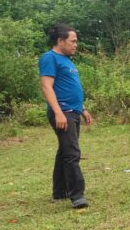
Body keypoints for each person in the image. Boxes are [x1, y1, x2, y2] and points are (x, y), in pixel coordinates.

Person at [39, 25, 92, 208]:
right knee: (72, 153)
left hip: (73, 111)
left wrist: (83, 109)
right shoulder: (50, 58)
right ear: (60, 41)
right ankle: (77, 195)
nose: (75, 45)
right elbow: (47, 87)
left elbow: (69, 87)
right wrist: (58, 112)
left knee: (64, 150)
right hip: (63, 112)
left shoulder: (67, 60)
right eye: (73, 41)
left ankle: (59, 191)